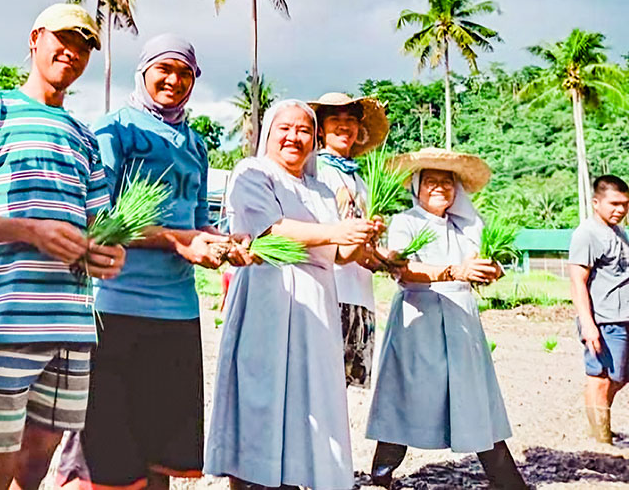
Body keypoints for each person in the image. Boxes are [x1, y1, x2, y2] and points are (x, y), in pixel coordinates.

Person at [0, 3, 127, 490]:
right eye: (63, 39)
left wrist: (107, 254)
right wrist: (30, 231)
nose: (72, 52)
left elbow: (100, 226)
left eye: (85, 45)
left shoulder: (84, 136)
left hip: (71, 325)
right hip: (7, 319)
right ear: (35, 38)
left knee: (35, 465)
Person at [55, 34, 237, 490]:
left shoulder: (194, 144)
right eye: (165, 69)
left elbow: (198, 222)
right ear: (143, 71)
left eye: (185, 73)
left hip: (177, 311)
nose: (174, 80)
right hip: (116, 306)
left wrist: (227, 243)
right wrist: (179, 242)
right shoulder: (115, 130)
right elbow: (102, 221)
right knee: (105, 450)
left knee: (161, 451)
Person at [205, 100, 379, 490]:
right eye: (285, 128)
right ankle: (252, 479)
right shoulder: (252, 173)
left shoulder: (320, 190)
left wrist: (360, 235)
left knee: (311, 398)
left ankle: (299, 476)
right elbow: (272, 230)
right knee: (260, 394)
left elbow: (337, 255)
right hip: (268, 297)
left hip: (316, 308)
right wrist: (336, 232)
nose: (294, 137)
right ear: (268, 132)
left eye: (303, 130)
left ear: (314, 139)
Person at [365, 147, 528, 490]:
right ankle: (380, 477)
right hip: (418, 319)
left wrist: (490, 270)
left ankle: (507, 481)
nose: (439, 187)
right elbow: (402, 270)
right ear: (417, 187)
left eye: (446, 181)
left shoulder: (467, 225)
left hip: (461, 321)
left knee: (474, 396)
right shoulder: (405, 222)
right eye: (431, 181)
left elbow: (482, 263)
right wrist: (455, 271)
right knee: (406, 395)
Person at [309, 91, 390, 389]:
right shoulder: (314, 171)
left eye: (350, 120)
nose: (344, 126)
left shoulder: (363, 182)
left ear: (359, 130)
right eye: (335, 120)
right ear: (320, 128)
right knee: (320, 380)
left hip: (359, 293)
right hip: (329, 290)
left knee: (343, 385)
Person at [569, 174, 629, 444]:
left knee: (620, 376)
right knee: (600, 378)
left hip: (623, 317)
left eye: (625, 204)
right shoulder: (587, 234)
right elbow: (577, 281)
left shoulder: (619, 233)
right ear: (596, 202)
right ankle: (600, 438)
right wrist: (588, 325)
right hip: (604, 320)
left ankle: (600, 424)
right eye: (614, 204)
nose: (620, 210)